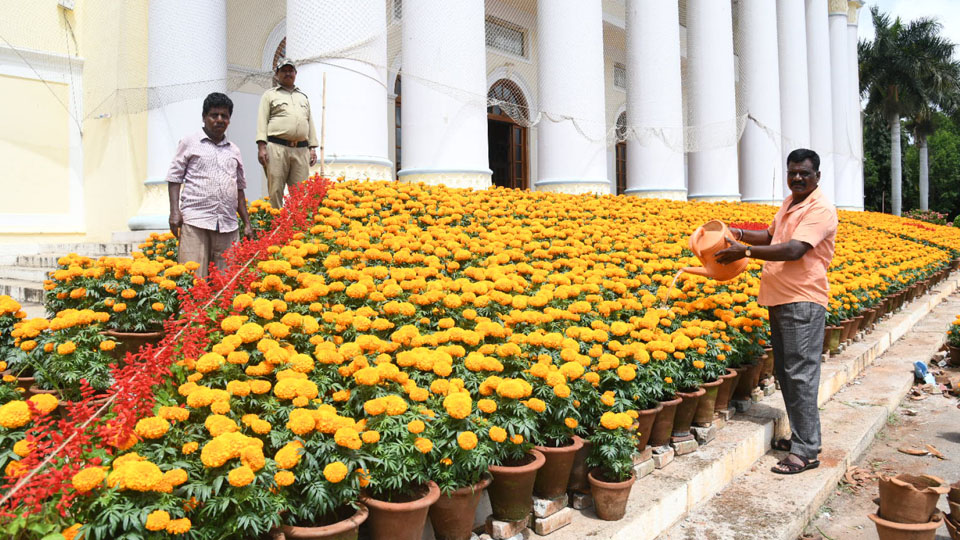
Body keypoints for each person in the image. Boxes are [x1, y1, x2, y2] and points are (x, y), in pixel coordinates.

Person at [716, 148, 838, 475]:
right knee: (786, 372)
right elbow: (772, 235)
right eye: (792, 172)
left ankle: (806, 451)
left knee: (800, 374)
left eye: (804, 174)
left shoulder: (820, 209)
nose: (797, 178)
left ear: (817, 177)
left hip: (802, 300)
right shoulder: (790, 203)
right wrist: (739, 234)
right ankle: (801, 437)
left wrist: (746, 251)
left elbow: (795, 249)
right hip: (780, 298)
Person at [167, 92, 252, 278]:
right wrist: (174, 212)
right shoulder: (189, 142)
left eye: (225, 116)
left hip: (228, 225)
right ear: (204, 117)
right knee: (193, 280)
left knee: (226, 283)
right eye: (214, 115)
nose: (219, 120)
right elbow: (174, 178)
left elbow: (239, 188)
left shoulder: (234, 150)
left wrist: (247, 223)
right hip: (195, 222)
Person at [256, 57, 318, 209]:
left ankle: (296, 228)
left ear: (295, 74)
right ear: (277, 74)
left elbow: (309, 122)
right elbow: (262, 120)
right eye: (284, 71)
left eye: (291, 71)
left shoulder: (303, 97)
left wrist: (312, 148)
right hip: (276, 147)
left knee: (301, 192)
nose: (288, 73)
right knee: (276, 189)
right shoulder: (270, 95)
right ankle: (276, 226)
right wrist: (262, 146)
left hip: (301, 149)